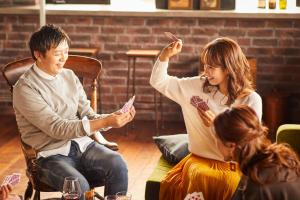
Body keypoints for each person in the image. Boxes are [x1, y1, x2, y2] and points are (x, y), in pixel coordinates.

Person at [13, 24, 135, 199]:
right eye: (57, 53)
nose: (64, 58)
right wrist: (106, 122)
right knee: (78, 186)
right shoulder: (25, 88)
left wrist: (111, 118)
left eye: (66, 51)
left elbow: (88, 115)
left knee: (117, 164)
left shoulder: (69, 76)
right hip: (49, 155)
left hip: (82, 145)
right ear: (38, 55)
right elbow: (57, 128)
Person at [150, 37, 262, 200]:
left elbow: (248, 144)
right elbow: (158, 81)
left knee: (227, 183)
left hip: (233, 165)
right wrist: (165, 56)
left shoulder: (251, 100)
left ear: (228, 68)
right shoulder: (196, 87)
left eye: (211, 67)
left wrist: (216, 125)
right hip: (199, 161)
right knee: (199, 176)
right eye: (205, 65)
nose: (205, 71)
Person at [213, 105, 300, 200]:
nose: (215, 142)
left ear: (231, 145)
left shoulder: (257, 185)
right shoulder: (278, 156)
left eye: (217, 138)